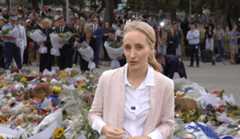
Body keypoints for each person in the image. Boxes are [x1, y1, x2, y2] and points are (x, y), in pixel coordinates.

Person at [88, 21, 174, 139]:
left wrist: (151, 137)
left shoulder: (165, 84)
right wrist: (104, 128)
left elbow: (168, 124)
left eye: (139, 47)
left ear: (150, 48)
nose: (132, 54)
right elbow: (93, 114)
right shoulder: (107, 78)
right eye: (127, 48)